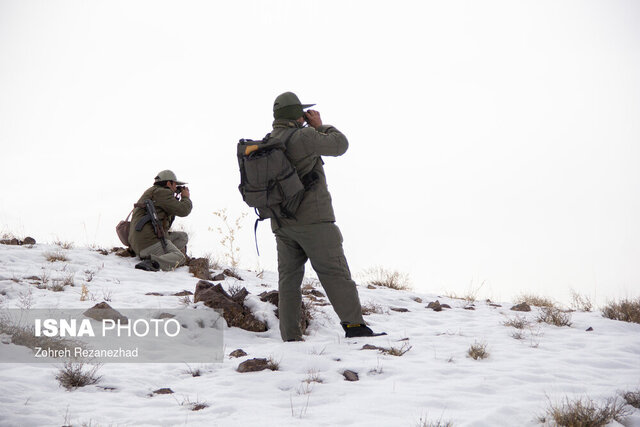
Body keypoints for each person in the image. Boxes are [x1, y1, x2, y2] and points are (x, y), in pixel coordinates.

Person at [269, 91, 383, 340]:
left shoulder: (269, 141)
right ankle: (355, 327)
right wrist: (321, 125)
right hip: (314, 221)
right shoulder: (305, 135)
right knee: (335, 272)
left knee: (288, 280)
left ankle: (290, 335)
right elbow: (340, 145)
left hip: (281, 223)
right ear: (297, 115)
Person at [129, 170, 193, 272]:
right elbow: (183, 210)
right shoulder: (162, 193)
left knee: (182, 237)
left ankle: (164, 254)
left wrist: (176, 196)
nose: (176, 187)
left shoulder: (153, 192)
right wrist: (185, 197)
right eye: (175, 184)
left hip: (140, 241)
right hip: (148, 242)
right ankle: (153, 262)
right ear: (168, 183)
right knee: (180, 257)